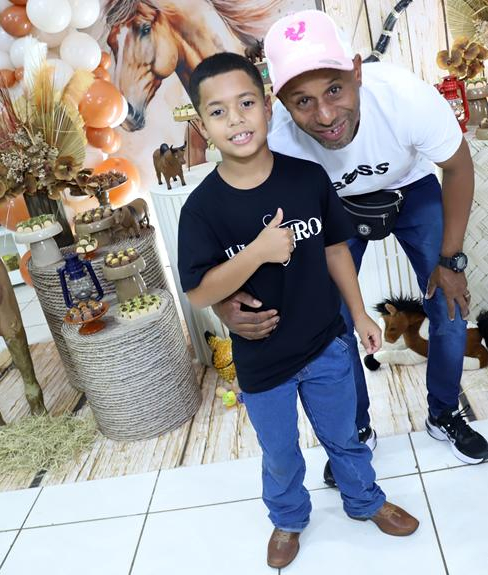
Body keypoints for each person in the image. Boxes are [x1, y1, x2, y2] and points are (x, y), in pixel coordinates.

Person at [212, 10, 488, 485]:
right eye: (303, 101)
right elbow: (243, 220)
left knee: (449, 302)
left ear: (357, 71)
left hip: (410, 187)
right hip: (331, 207)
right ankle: (356, 429)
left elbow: (458, 167)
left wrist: (451, 259)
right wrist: (226, 299)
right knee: (334, 321)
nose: (324, 116)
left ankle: (444, 411)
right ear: (279, 99)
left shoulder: (406, 99)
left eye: (335, 90)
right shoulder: (274, 141)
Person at [176, 52, 419, 569]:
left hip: (326, 342)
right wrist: (257, 253)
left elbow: (335, 250)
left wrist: (359, 315)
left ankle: (365, 500)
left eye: (246, 103)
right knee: (281, 454)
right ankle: (288, 519)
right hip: (263, 361)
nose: (236, 119)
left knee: (345, 437)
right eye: (218, 112)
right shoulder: (203, 208)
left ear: (268, 106)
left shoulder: (308, 178)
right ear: (201, 124)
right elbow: (197, 292)